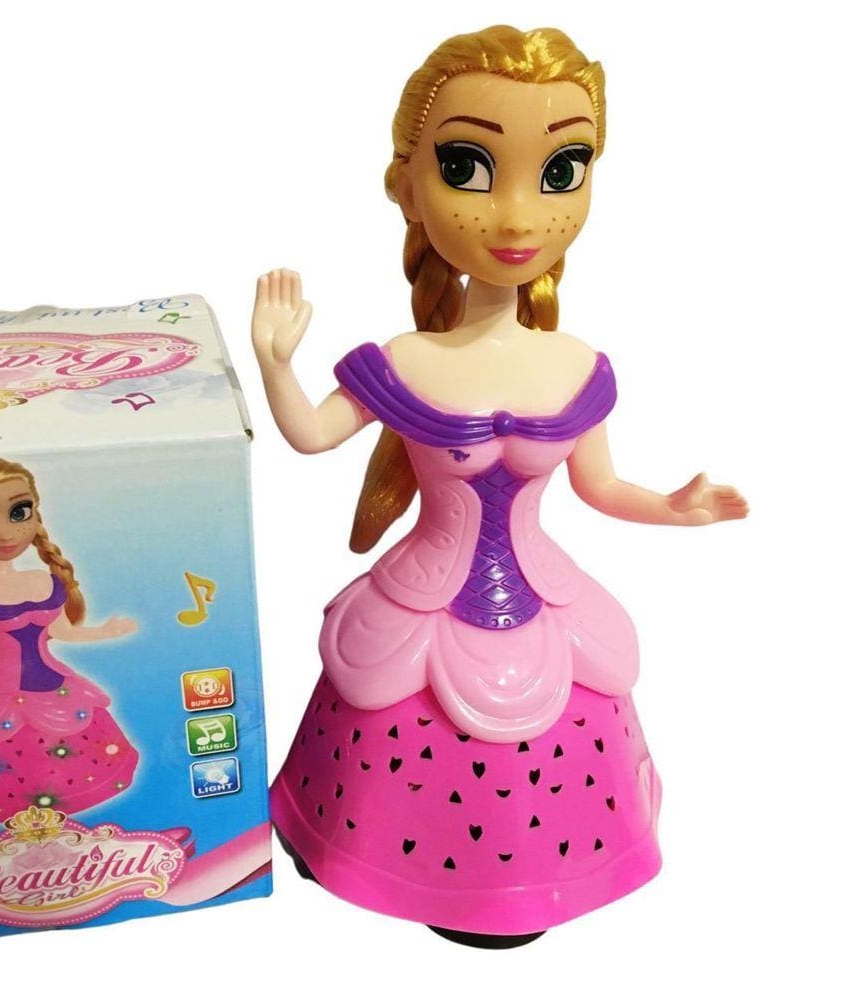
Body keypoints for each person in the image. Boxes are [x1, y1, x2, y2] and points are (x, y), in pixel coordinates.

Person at [251, 25, 747, 947]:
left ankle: (529, 885)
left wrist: (674, 510)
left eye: (559, 171)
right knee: (382, 719)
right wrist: (276, 363)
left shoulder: (576, 365)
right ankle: (367, 857)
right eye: (469, 168)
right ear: (407, 187)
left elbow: (600, 487)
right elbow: (313, 436)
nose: (519, 219)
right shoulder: (402, 361)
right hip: (423, 598)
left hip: (542, 596)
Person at [0, 456, 139, 823]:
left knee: (75, 757)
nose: (3, 533)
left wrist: (106, 631)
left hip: (59, 689)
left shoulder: (44, 581)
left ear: (35, 514)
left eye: (18, 512)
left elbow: (63, 632)